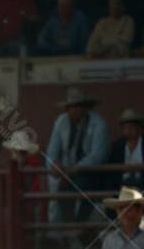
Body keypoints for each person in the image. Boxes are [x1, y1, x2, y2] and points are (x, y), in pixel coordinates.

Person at [45, 87, 110, 223]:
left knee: (86, 189)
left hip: (90, 173)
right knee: (61, 191)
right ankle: (68, 228)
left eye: (79, 106)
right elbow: (52, 150)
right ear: (67, 109)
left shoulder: (99, 124)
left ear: (87, 108)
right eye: (72, 106)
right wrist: (54, 163)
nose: (75, 110)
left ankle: (80, 226)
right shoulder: (61, 121)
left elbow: (99, 155)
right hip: (66, 173)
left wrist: (78, 167)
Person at [106, 108, 144, 192]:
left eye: (131, 126)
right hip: (123, 187)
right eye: (125, 127)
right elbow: (113, 173)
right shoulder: (117, 146)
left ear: (140, 128)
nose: (128, 129)